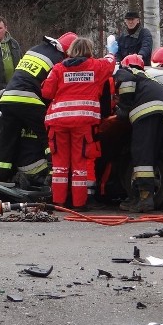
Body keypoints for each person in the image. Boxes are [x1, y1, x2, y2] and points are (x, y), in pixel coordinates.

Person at [0, 32, 76, 186]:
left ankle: (0, 178)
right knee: (49, 136)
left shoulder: (35, 49)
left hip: (8, 98)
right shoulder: (59, 60)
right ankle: (53, 176)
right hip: (29, 99)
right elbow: (50, 90)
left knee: (7, 141)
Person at [41, 37, 116, 209]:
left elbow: (46, 92)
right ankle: (79, 204)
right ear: (89, 50)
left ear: (70, 51)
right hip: (83, 123)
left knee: (59, 165)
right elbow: (110, 63)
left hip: (58, 122)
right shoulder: (97, 66)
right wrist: (111, 50)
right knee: (80, 164)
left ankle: (58, 202)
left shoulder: (58, 68)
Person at [113, 54, 163, 212]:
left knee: (141, 155)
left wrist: (123, 109)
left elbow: (126, 85)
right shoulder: (147, 76)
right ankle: (141, 197)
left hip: (146, 111)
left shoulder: (126, 72)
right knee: (149, 155)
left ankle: (145, 199)